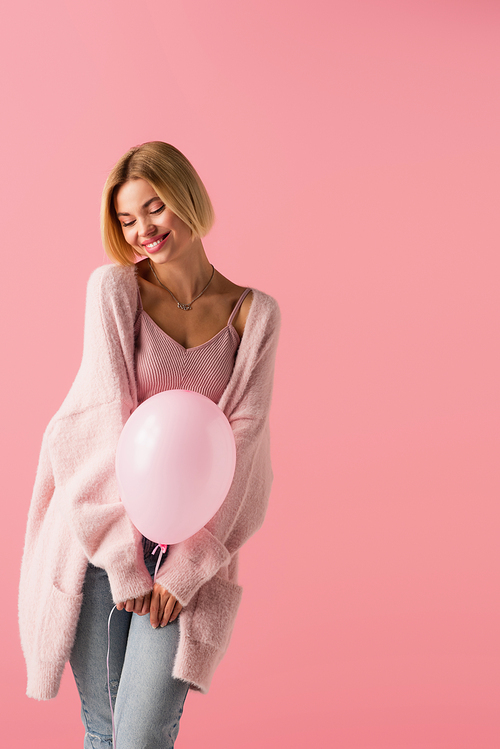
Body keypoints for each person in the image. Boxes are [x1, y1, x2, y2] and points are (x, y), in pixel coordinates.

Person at [18, 142, 281, 748]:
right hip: (99, 537)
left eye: (153, 208)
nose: (142, 231)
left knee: (141, 737)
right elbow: (100, 421)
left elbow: (246, 446)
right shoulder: (115, 291)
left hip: (187, 550)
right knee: (104, 729)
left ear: (187, 196)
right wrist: (120, 562)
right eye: (127, 220)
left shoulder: (255, 315)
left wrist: (186, 572)